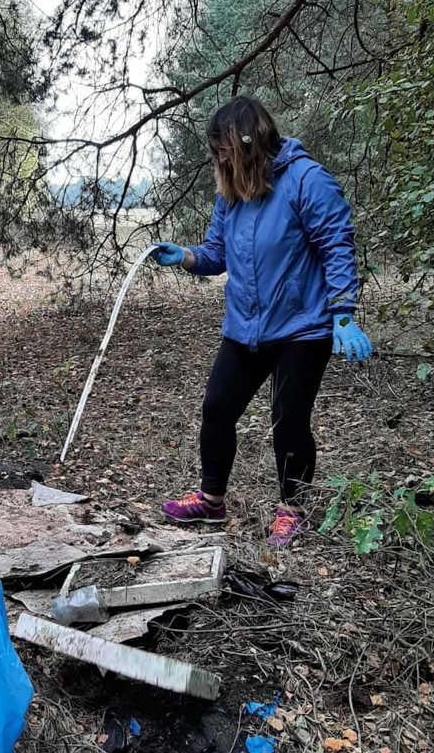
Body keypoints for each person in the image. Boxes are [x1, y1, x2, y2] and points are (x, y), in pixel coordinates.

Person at [150, 96, 372, 546]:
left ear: (247, 144)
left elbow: (337, 244)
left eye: (224, 150)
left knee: (288, 419)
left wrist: (343, 313)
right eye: (216, 153)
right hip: (246, 326)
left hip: (302, 327)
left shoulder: (307, 180)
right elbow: (217, 254)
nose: (219, 160)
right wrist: (187, 256)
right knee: (217, 408)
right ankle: (211, 501)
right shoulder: (231, 193)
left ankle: (292, 510)